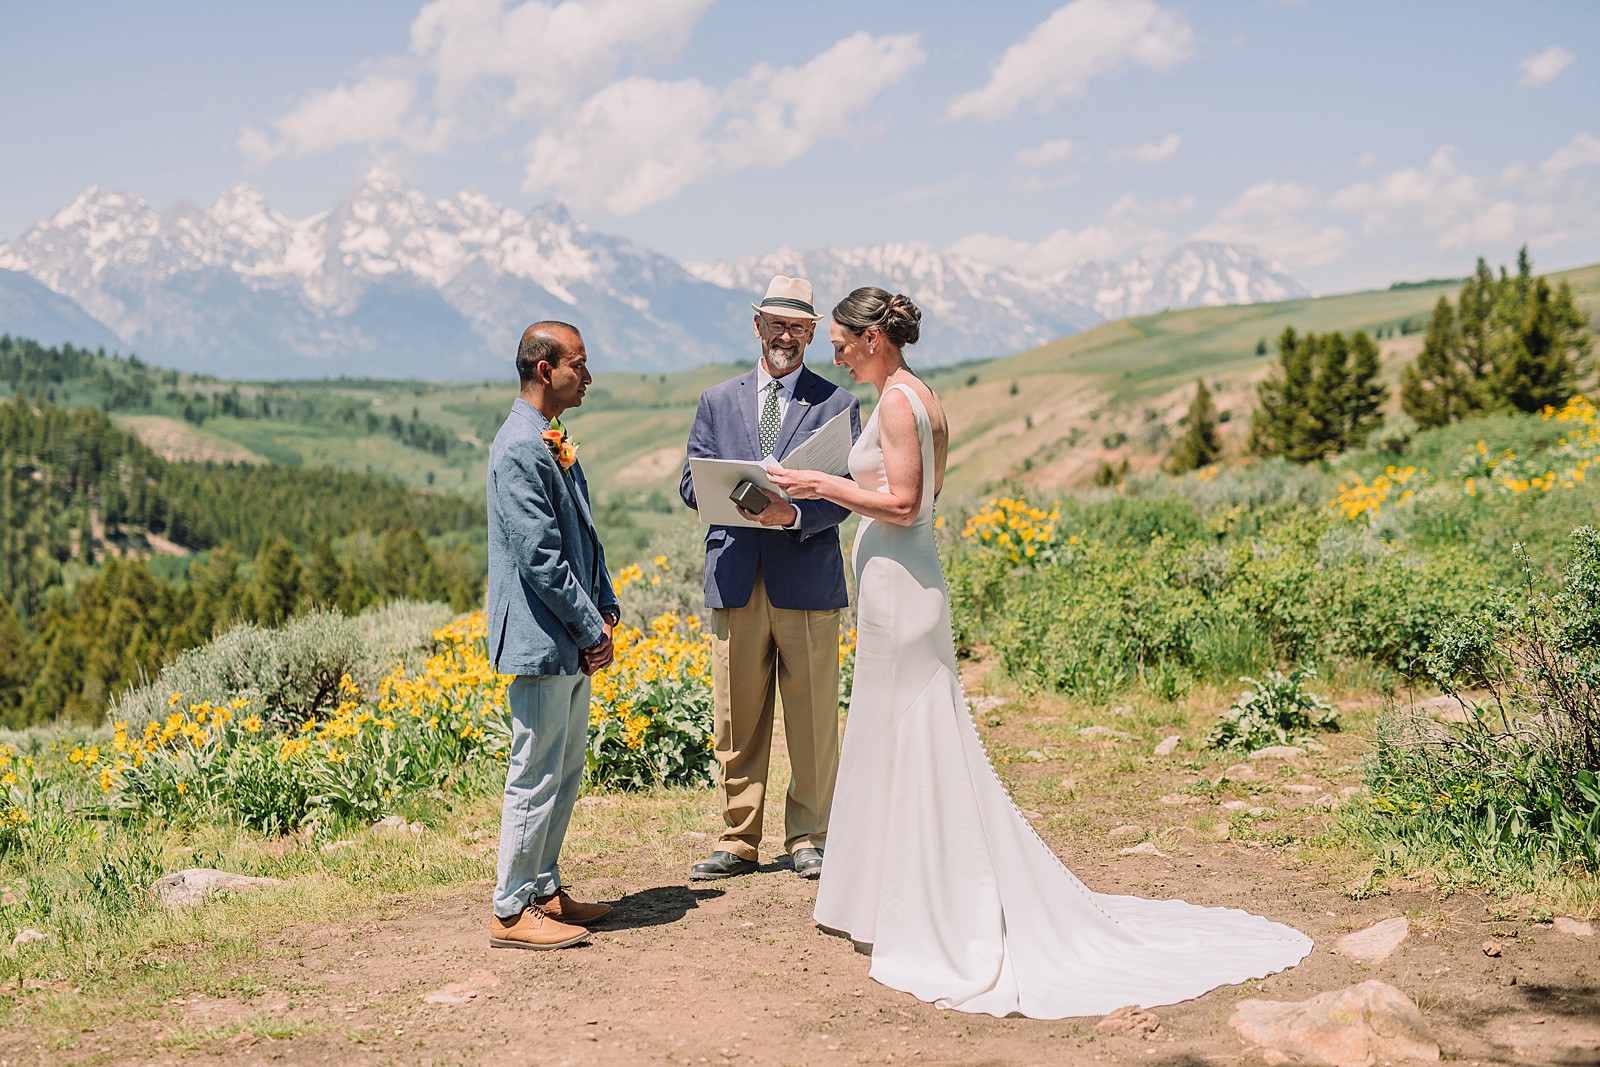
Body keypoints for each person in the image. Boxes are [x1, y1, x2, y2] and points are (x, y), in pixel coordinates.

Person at [767, 289, 1313, 1019]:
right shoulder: (919, 395)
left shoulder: (899, 403)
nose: (832, 352)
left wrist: (817, 482)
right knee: (901, 737)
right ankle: (901, 891)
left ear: (872, 338)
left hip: (902, 589)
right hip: (904, 580)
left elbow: (905, 504)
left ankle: (932, 903)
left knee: (912, 737)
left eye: (839, 340)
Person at [679, 276, 861, 882]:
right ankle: (738, 837)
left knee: (812, 716)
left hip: (806, 576)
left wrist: (795, 513)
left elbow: (850, 494)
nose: (786, 335)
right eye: (776, 324)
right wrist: (736, 492)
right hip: (734, 575)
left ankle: (809, 836)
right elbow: (689, 482)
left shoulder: (837, 404)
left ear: (811, 334)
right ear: (756, 326)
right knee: (737, 713)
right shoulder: (715, 401)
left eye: (799, 327)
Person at [486, 321, 621, 950]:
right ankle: (511, 909)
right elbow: (540, 559)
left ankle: (543, 888)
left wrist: (605, 608)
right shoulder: (517, 446)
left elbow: (580, 538)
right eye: (579, 364)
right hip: (542, 639)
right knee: (535, 770)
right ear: (545, 370)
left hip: (566, 634)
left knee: (564, 768)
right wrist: (591, 623)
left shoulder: (549, 438)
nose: (588, 377)